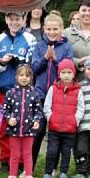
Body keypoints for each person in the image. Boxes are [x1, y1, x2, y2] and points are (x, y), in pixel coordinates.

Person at [0, 11, 36, 170]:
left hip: (22, 92)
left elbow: (33, 66)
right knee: (4, 127)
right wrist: (3, 64)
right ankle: (5, 160)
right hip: (3, 90)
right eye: (11, 19)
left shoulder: (30, 39)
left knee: (22, 128)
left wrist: (19, 63)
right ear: (6, 19)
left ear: (24, 20)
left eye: (18, 19)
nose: (14, 22)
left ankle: (20, 163)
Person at [29, 11, 72, 167]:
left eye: (55, 29)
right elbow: (33, 69)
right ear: (44, 29)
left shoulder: (67, 47)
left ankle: (52, 168)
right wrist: (45, 58)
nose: (52, 32)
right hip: (40, 95)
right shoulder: (40, 46)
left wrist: (55, 60)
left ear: (61, 29)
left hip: (59, 96)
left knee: (55, 134)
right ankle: (29, 167)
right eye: (49, 29)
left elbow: (67, 73)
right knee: (37, 131)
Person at [41, 58, 83, 178]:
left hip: (70, 129)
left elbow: (81, 108)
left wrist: (75, 120)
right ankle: (48, 173)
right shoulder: (53, 89)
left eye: (69, 72)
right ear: (59, 74)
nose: (66, 75)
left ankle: (63, 173)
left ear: (73, 74)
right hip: (54, 128)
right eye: (63, 72)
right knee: (52, 151)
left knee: (66, 153)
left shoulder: (78, 90)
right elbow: (47, 106)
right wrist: (51, 118)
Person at [2, 63, 43, 178]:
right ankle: (12, 174)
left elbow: (38, 110)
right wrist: (9, 119)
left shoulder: (34, 93)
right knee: (14, 154)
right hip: (14, 130)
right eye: (21, 75)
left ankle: (28, 174)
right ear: (16, 77)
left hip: (29, 130)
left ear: (31, 78)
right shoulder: (11, 93)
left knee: (27, 154)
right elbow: (5, 109)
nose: (24, 78)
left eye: (27, 75)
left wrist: (36, 121)